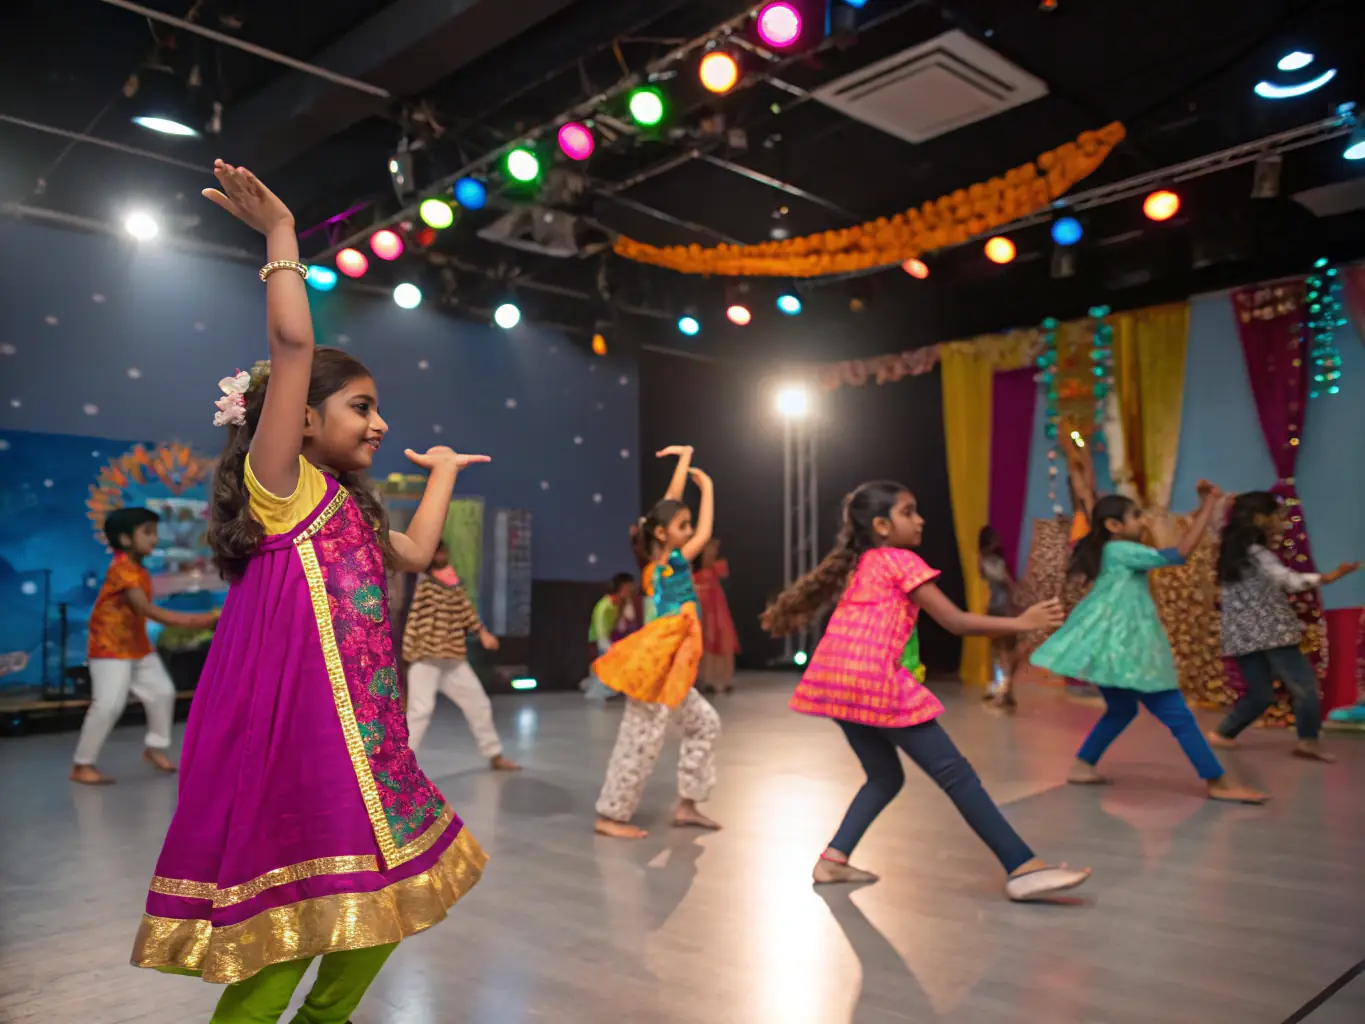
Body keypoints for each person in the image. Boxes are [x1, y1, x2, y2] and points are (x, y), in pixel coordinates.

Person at [129, 161, 489, 1024]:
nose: (379, 423)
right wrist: (284, 238)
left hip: (371, 745)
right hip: (303, 748)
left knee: (376, 916)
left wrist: (437, 473)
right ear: (298, 418)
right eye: (361, 406)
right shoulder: (280, 486)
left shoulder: (348, 507)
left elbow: (414, 551)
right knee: (282, 938)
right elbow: (293, 348)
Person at [762, 481, 1090, 902]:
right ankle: (1022, 866)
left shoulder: (862, 564)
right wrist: (1022, 624)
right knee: (956, 773)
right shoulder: (900, 560)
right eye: (909, 512)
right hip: (873, 679)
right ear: (882, 525)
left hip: (837, 681)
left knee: (884, 777)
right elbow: (955, 622)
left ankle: (833, 860)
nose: (920, 520)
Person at [1033, 487, 1267, 803]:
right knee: (1177, 715)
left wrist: (1202, 509)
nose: (1142, 521)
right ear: (1114, 526)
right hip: (1129, 650)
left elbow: (1179, 541)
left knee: (1121, 709)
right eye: (1135, 516)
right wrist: (1211, 504)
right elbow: (1180, 553)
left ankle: (1082, 765)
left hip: (1114, 648)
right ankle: (1219, 782)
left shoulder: (1113, 551)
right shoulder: (1120, 550)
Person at [591, 445, 721, 839]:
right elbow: (701, 530)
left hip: (675, 667)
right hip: (657, 663)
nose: (688, 529)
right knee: (641, 739)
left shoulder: (670, 557)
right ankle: (611, 815)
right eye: (682, 525)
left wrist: (684, 460)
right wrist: (709, 487)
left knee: (704, 724)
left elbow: (668, 505)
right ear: (665, 534)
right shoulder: (666, 564)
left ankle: (688, 805)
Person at [70, 507, 218, 785]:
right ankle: (82, 764)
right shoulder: (123, 570)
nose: (154, 539)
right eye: (147, 533)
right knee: (108, 705)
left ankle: (154, 748)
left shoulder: (137, 569)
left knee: (162, 692)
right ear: (126, 540)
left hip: (136, 645)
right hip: (110, 646)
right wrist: (200, 620)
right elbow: (146, 610)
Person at [1208, 491, 1359, 762]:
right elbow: (1286, 580)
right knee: (1305, 686)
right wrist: (1328, 577)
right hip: (1272, 630)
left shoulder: (1229, 548)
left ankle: (1224, 734)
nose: (1281, 520)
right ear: (1259, 519)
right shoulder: (1257, 553)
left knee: (1261, 693)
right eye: (1276, 515)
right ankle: (1308, 742)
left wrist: (1218, 502)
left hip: (1240, 633)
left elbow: (1217, 523)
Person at [402, 541, 519, 770]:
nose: (441, 555)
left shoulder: (454, 584)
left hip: (452, 659)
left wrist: (483, 632)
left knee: (479, 703)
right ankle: (400, 764)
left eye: (443, 551)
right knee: (420, 711)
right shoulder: (422, 584)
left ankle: (494, 754)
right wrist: (408, 654)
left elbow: (467, 612)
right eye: (436, 552)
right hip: (425, 657)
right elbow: (412, 619)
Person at [978, 525, 1020, 710]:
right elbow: (1000, 579)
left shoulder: (996, 560)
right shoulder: (982, 560)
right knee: (998, 651)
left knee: (1008, 651)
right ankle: (1001, 689)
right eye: (995, 538)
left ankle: (1005, 690)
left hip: (1003, 608)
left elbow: (1008, 583)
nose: (998, 542)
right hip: (994, 608)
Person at [694, 538, 740, 694]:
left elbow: (726, 576)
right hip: (705, 613)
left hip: (719, 612)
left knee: (724, 643)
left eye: (713, 550)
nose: (711, 553)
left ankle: (725, 680)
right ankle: (706, 680)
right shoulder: (696, 575)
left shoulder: (718, 569)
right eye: (707, 550)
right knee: (706, 643)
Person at [582, 572, 637, 701]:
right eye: (627, 588)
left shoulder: (620, 604)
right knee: (605, 666)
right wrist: (606, 645)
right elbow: (599, 628)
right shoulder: (604, 605)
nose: (630, 591)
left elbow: (628, 620)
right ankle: (598, 691)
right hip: (598, 641)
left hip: (609, 640)